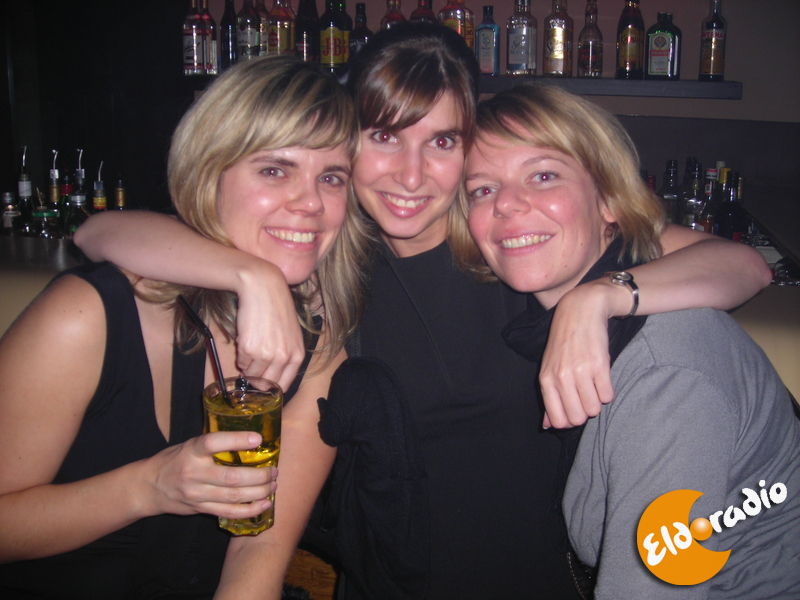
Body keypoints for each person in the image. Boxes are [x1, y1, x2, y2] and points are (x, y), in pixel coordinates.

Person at [73, 23, 771, 600]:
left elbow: (741, 265)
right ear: (348, 142)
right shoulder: (326, 266)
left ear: (468, 148)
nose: (411, 175)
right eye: (384, 136)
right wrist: (249, 275)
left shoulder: (516, 248)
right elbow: (100, 233)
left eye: (441, 141)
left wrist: (599, 297)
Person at [0, 55, 364, 599]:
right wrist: (150, 486)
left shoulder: (320, 342)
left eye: (331, 178)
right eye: (274, 169)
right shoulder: (85, 317)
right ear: (207, 174)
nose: (311, 203)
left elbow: (259, 549)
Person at [465, 82, 800, 599]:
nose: (507, 204)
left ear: (608, 200)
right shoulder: (533, 309)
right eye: (482, 189)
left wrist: (595, 297)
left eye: (543, 175)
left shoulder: (664, 375)